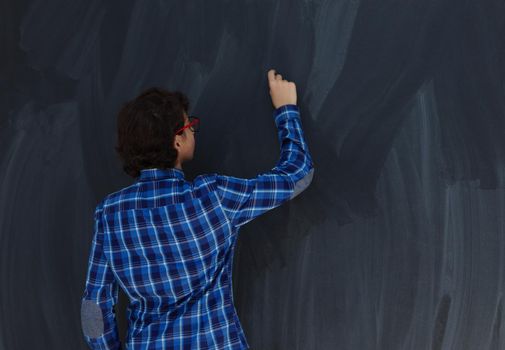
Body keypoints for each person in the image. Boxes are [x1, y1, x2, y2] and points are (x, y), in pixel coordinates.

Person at [80, 69, 315, 349]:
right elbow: (299, 175)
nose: (192, 128)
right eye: (187, 125)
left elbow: (94, 308)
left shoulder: (110, 214)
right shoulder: (213, 197)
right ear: (177, 141)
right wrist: (286, 109)